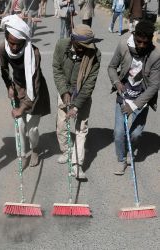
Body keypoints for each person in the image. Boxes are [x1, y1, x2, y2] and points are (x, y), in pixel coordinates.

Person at [107, 20, 160, 175]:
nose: (142, 45)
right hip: (123, 95)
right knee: (118, 133)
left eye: (146, 42)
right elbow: (111, 67)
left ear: (150, 40)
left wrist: (134, 105)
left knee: (135, 134)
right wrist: (117, 82)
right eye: (139, 41)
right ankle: (122, 159)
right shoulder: (124, 45)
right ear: (134, 35)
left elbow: (154, 87)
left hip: (141, 98)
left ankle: (130, 149)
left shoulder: (156, 56)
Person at [0, 14, 50, 167]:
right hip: (18, 87)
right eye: (11, 43)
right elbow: (3, 70)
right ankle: (22, 155)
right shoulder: (3, 48)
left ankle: (35, 149)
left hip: (35, 90)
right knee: (19, 125)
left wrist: (22, 108)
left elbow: (34, 84)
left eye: (18, 44)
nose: (14, 47)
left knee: (32, 127)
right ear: (7, 37)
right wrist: (9, 86)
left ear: (24, 41)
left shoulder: (33, 53)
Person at [53, 24, 101, 179]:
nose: (83, 50)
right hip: (65, 90)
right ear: (73, 40)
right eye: (81, 46)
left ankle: (76, 164)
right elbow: (57, 69)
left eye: (86, 46)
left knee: (81, 128)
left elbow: (89, 83)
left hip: (82, 95)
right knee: (61, 126)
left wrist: (76, 106)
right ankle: (67, 151)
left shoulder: (95, 54)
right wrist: (63, 91)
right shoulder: (61, 45)